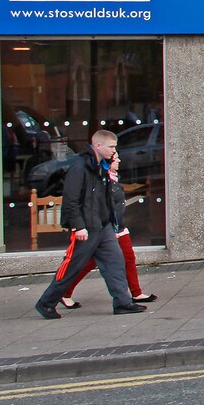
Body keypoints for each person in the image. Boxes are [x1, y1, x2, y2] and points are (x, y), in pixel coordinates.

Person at [34, 129, 144, 318]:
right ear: (98, 146)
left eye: (114, 147)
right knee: (72, 265)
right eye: (111, 147)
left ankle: (122, 302)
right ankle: (46, 302)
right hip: (87, 227)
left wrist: (112, 222)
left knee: (115, 262)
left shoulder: (102, 166)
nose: (114, 151)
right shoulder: (80, 167)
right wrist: (78, 226)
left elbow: (105, 198)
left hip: (104, 225)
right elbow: (71, 199)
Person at [55, 144, 152, 309]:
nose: (119, 160)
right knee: (88, 263)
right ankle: (62, 292)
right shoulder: (100, 178)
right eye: (116, 158)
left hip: (116, 226)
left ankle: (135, 293)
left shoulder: (112, 178)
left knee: (127, 257)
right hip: (107, 228)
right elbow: (93, 205)